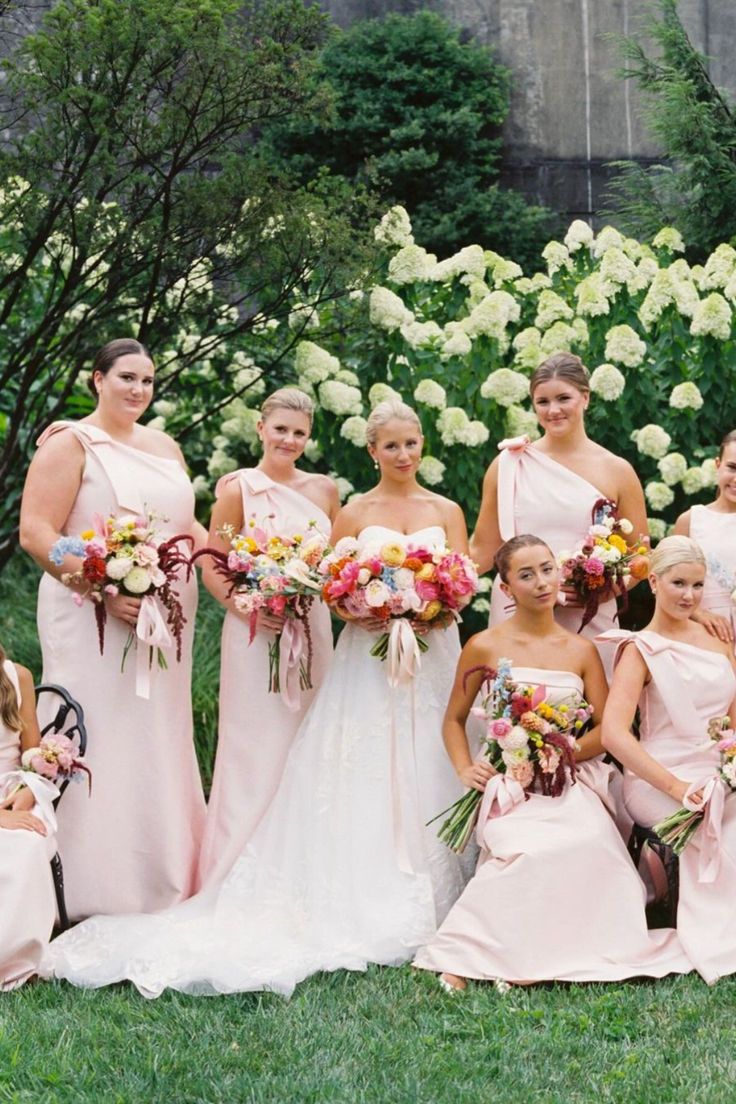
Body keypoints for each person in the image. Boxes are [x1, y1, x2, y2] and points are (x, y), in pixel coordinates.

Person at [44, 398, 471, 997]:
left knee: (431, 748)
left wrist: (431, 602)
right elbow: (328, 579)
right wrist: (359, 606)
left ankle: (448, 876)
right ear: (371, 451)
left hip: (429, 652)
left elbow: (462, 575)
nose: (404, 454)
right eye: (391, 445)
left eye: (412, 442)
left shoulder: (435, 507)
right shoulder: (342, 506)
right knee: (349, 755)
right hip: (341, 645)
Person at [414, 535, 687, 990]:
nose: (541, 582)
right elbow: (454, 721)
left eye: (546, 569)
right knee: (526, 851)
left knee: (587, 842)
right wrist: (466, 768)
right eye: (526, 574)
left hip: (566, 783)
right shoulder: (483, 646)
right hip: (510, 785)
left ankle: (534, 957)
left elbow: (606, 729)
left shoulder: (580, 651)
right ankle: (467, 957)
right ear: (504, 588)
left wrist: (558, 752)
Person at [19, 338, 206, 919]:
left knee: (157, 734)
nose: (138, 390)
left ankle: (162, 874)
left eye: (147, 381)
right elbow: (40, 532)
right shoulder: (70, 442)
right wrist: (100, 585)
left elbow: (189, 527)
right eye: (126, 377)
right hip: (89, 621)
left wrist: (246, 576)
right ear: (97, 379)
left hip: (167, 620)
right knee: (97, 730)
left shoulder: (164, 446)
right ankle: (81, 885)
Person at [197, 388, 339, 889]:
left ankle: (304, 861)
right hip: (256, 631)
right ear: (261, 428)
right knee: (256, 740)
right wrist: (245, 603)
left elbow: (334, 565)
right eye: (281, 429)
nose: (290, 439)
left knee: (310, 735)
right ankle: (239, 866)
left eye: (300, 432)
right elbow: (213, 563)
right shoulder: (239, 488)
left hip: (312, 628)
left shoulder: (324, 490)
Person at [602, 535, 736, 984]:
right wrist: (679, 788)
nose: (689, 596)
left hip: (720, 766)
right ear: (653, 582)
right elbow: (614, 734)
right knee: (715, 827)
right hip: (660, 777)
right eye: (679, 583)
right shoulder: (639, 648)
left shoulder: (718, 639)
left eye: (698, 586)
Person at [471, 352, 648, 678]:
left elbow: (640, 556)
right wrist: (429, 581)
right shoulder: (508, 464)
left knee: (591, 714)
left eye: (563, 398)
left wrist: (604, 590)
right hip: (516, 613)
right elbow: (482, 550)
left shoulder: (617, 470)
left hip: (588, 615)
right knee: (512, 718)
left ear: (585, 397)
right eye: (542, 401)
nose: (553, 410)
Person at [0, 644, 58, 990]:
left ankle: (14, 957)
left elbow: (31, 753)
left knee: (25, 844)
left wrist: (28, 788)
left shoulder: (17, 676)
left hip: (11, 791)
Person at [673, 429, 736, 645]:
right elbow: (667, 583)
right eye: (732, 467)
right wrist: (699, 614)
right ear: (718, 464)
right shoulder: (691, 520)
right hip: (705, 631)